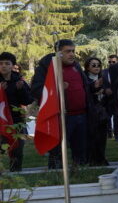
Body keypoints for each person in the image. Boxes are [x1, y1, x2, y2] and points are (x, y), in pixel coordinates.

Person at [31, 39, 91, 168]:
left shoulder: (76, 66)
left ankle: (80, 171)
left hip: (81, 115)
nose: (72, 54)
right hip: (61, 116)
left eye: (73, 51)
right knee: (57, 150)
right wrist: (56, 87)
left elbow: (84, 86)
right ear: (58, 53)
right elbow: (36, 89)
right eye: (68, 51)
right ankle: (56, 174)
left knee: (80, 148)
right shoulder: (47, 67)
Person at [0, 52, 33, 171]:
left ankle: (16, 175)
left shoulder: (19, 80)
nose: (3, 66)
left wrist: (20, 90)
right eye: (1, 64)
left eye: (7, 63)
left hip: (17, 121)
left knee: (17, 151)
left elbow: (29, 99)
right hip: (1, 122)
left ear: (12, 66)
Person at [84, 57, 109, 166]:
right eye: (93, 65)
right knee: (92, 137)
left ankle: (101, 158)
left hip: (102, 112)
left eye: (98, 65)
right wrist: (94, 91)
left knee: (102, 137)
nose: (96, 67)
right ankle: (92, 159)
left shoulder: (104, 78)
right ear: (87, 67)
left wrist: (106, 92)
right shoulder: (85, 79)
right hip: (90, 113)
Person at [103, 55, 118, 141]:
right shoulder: (104, 72)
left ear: (117, 61)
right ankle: (108, 134)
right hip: (107, 98)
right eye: (109, 62)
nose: (111, 63)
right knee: (107, 117)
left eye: (113, 62)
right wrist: (105, 89)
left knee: (117, 117)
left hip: (117, 98)